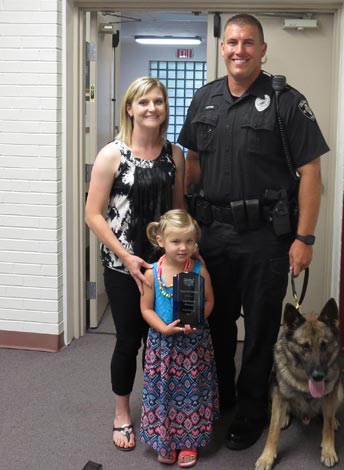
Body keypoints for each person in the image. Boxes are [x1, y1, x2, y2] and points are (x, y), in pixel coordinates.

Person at [178, 13, 329, 451]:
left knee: (261, 329)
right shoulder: (204, 99)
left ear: (263, 50)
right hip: (212, 235)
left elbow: (311, 172)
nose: (238, 50)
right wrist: (184, 230)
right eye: (231, 42)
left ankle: (251, 410)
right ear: (222, 48)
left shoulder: (286, 102)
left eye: (248, 42)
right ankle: (222, 399)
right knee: (215, 323)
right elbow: (192, 164)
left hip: (266, 238)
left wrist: (304, 238)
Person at [85, 77, 185, 451]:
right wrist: (126, 257)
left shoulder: (174, 154)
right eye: (143, 102)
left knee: (163, 339)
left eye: (158, 101)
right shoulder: (112, 154)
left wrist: (185, 255)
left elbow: (178, 211)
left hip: (164, 268)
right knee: (129, 340)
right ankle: (123, 414)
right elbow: (93, 215)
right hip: (122, 265)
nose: (151, 108)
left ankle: (161, 409)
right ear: (130, 108)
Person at [138, 209, 218, 468]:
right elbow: (146, 308)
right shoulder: (152, 273)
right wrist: (161, 328)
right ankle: (166, 440)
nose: (183, 247)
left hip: (192, 346)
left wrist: (199, 321)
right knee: (164, 395)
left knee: (190, 392)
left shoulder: (198, 270)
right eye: (176, 241)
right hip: (163, 347)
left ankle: (189, 440)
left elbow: (209, 301)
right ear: (160, 241)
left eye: (189, 241)